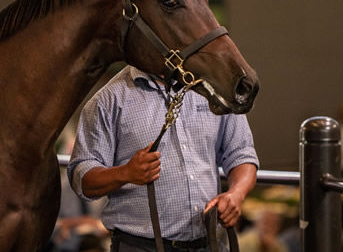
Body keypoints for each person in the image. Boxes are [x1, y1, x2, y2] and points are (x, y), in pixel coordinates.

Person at [67, 65, 259, 252]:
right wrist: (125, 173)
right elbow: (81, 177)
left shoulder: (216, 89)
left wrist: (237, 194)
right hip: (138, 246)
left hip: (209, 242)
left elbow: (241, 153)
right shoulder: (109, 99)